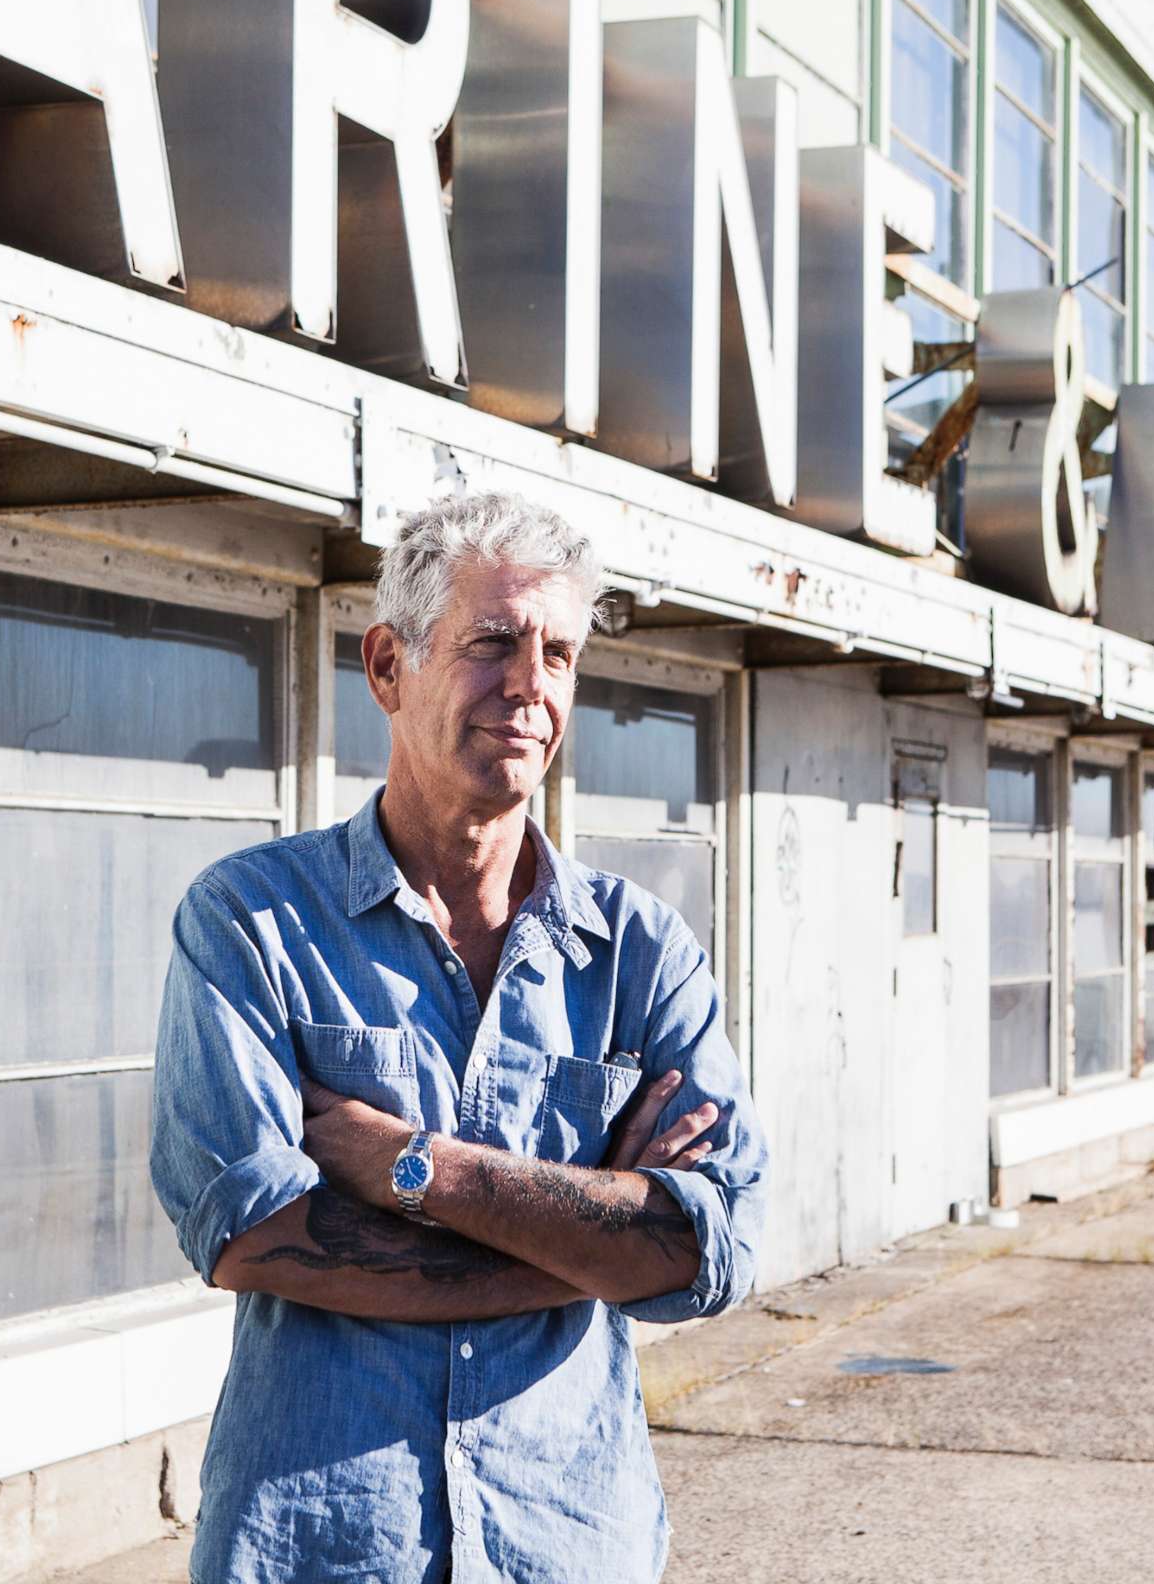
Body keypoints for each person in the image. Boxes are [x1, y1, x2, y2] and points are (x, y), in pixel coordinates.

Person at [151, 490, 767, 1583]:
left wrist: (415, 1168)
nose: (533, 688)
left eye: (561, 654)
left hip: (567, 1540)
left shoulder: (640, 952)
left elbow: (704, 1251)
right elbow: (253, 1236)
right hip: (323, 1546)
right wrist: (584, 1243)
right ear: (389, 665)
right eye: (494, 643)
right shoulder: (251, 923)